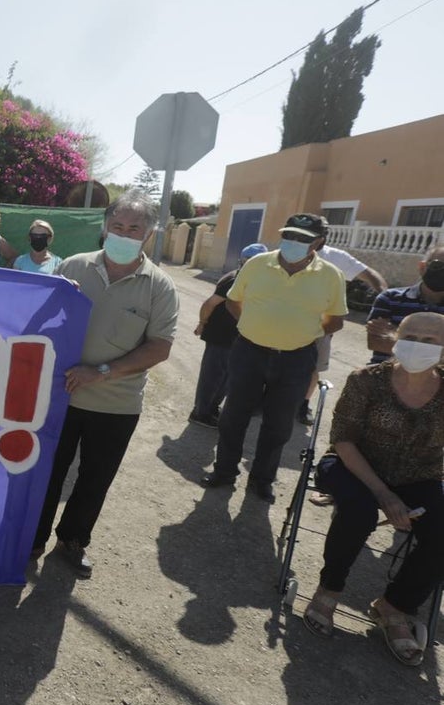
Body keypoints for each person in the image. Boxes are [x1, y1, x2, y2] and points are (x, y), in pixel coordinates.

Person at [31, 189, 179, 577]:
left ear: (149, 234)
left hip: (117, 404)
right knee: (47, 472)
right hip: (61, 397)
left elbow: (160, 347)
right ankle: (31, 540)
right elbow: (41, 319)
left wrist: (101, 373)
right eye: (117, 226)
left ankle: (72, 540)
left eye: (134, 229)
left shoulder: (159, 286)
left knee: (95, 479)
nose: (124, 234)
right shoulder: (73, 267)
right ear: (104, 226)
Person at [302, 312, 444, 668]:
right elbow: (344, 441)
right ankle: (329, 589)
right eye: (410, 337)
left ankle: (394, 607)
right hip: (351, 466)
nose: (418, 346)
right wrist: (383, 493)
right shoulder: (366, 381)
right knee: (359, 510)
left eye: (430, 341)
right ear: (396, 340)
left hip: (417, 477)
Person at [202, 213, 348, 502]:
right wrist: (253, 326)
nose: (292, 241)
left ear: (318, 243)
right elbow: (233, 301)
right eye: (288, 235)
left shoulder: (331, 275)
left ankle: (262, 480)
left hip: (296, 359)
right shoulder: (257, 264)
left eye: (302, 238)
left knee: (279, 425)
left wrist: (301, 333)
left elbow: (335, 321)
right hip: (249, 352)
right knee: (233, 416)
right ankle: (224, 471)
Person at [296, 244, 389, 425]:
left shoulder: (336, 257)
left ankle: (303, 404)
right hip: (285, 321)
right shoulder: (286, 253)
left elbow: (370, 275)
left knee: (313, 366)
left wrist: (386, 298)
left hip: (320, 325)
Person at [188, 243, 268, 428]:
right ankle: (200, 413)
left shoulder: (253, 280)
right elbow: (209, 304)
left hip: (237, 338)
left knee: (226, 379)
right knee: (213, 377)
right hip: (221, 336)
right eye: (249, 262)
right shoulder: (234, 279)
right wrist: (202, 323)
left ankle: (211, 408)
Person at [366, 246, 444, 363]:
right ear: (422, 267)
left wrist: (394, 333)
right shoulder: (390, 298)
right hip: (385, 372)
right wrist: (435, 349)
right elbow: (376, 342)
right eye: (438, 266)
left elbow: (384, 341)